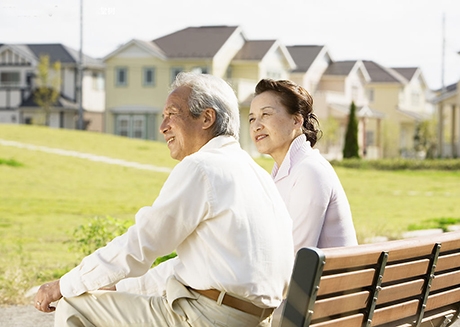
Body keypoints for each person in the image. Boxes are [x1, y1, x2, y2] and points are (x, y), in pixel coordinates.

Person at [35, 72, 295, 327]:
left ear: (207, 118)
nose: (162, 128)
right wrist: (117, 285)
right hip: (254, 319)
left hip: (208, 319)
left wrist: (63, 285)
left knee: (74, 306)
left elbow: (140, 244)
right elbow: (191, 266)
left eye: (172, 114)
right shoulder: (255, 174)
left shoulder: (202, 167)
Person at [249, 78, 357, 326]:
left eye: (266, 114)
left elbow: (296, 259)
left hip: (326, 309)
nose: (257, 125)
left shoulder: (310, 171)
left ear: (297, 120)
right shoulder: (282, 173)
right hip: (318, 301)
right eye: (252, 118)